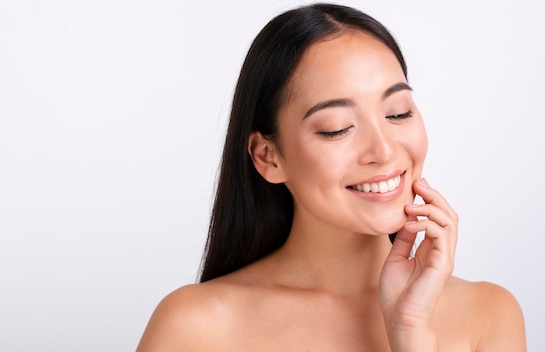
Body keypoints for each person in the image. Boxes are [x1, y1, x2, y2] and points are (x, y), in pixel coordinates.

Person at [136, 3, 526, 351]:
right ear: (268, 156)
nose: (385, 151)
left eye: (398, 112)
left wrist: (410, 332)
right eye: (337, 128)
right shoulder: (194, 328)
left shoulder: (488, 315)